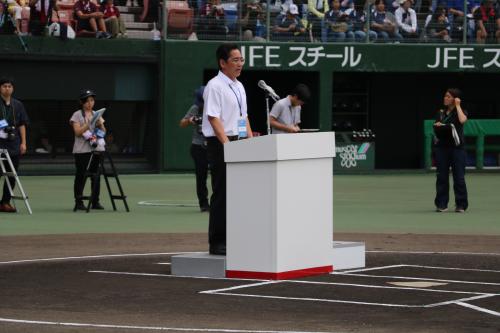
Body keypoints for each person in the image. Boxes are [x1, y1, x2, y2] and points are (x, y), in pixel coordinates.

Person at [201, 43, 253, 255]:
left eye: (241, 59)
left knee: (239, 193)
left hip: (238, 141)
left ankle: (236, 237)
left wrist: (251, 142)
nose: (240, 64)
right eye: (235, 60)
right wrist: (228, 146)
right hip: (221, 143)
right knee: (222, 192)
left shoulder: (239, 86)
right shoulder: (215, 86)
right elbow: (213, 118)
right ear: (222, 63)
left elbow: (244, 117)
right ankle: (217, 241)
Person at [70, 89, 106, 211]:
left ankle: (95, 201)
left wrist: (99, 124)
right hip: (82, 151)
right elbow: (78, 132)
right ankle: (79, 201)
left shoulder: (97, 113)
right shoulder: (77, 114)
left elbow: (104, 132)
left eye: (92, 100)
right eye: (87, 101)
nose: (90, 103)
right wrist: (89, 122)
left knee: (96, 175)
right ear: (82, 102)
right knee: (81, 175)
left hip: (96, 149)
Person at [433, 88, 468, 213]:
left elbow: (463, 120)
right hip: (442, 149)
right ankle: (441, 204)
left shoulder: (461, 111)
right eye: (445, 96)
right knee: (441, 177)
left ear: (455, 99)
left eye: (448, 96)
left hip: (457, 149)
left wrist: (458, 105)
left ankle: (461, 205)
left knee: (459, 177)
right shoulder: (440, 113)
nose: (445, 98)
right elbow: (437, 127)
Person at [0, 77, 29, 213]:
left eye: (9, 86)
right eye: (4, 86)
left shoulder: (18, 104)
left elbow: (22, 124)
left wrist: (23, 142)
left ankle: (5, 202)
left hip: (13, 144)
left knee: (12, 174)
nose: (7, 88)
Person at [180, 86, 209, 213]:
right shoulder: (195, 108)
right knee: (201, 176)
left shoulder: (219, 108)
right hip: (198, 146)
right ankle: (204, 204)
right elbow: (182, 123)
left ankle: (219, 202)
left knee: (219, 175)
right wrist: (191, 120)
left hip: (214, 145)